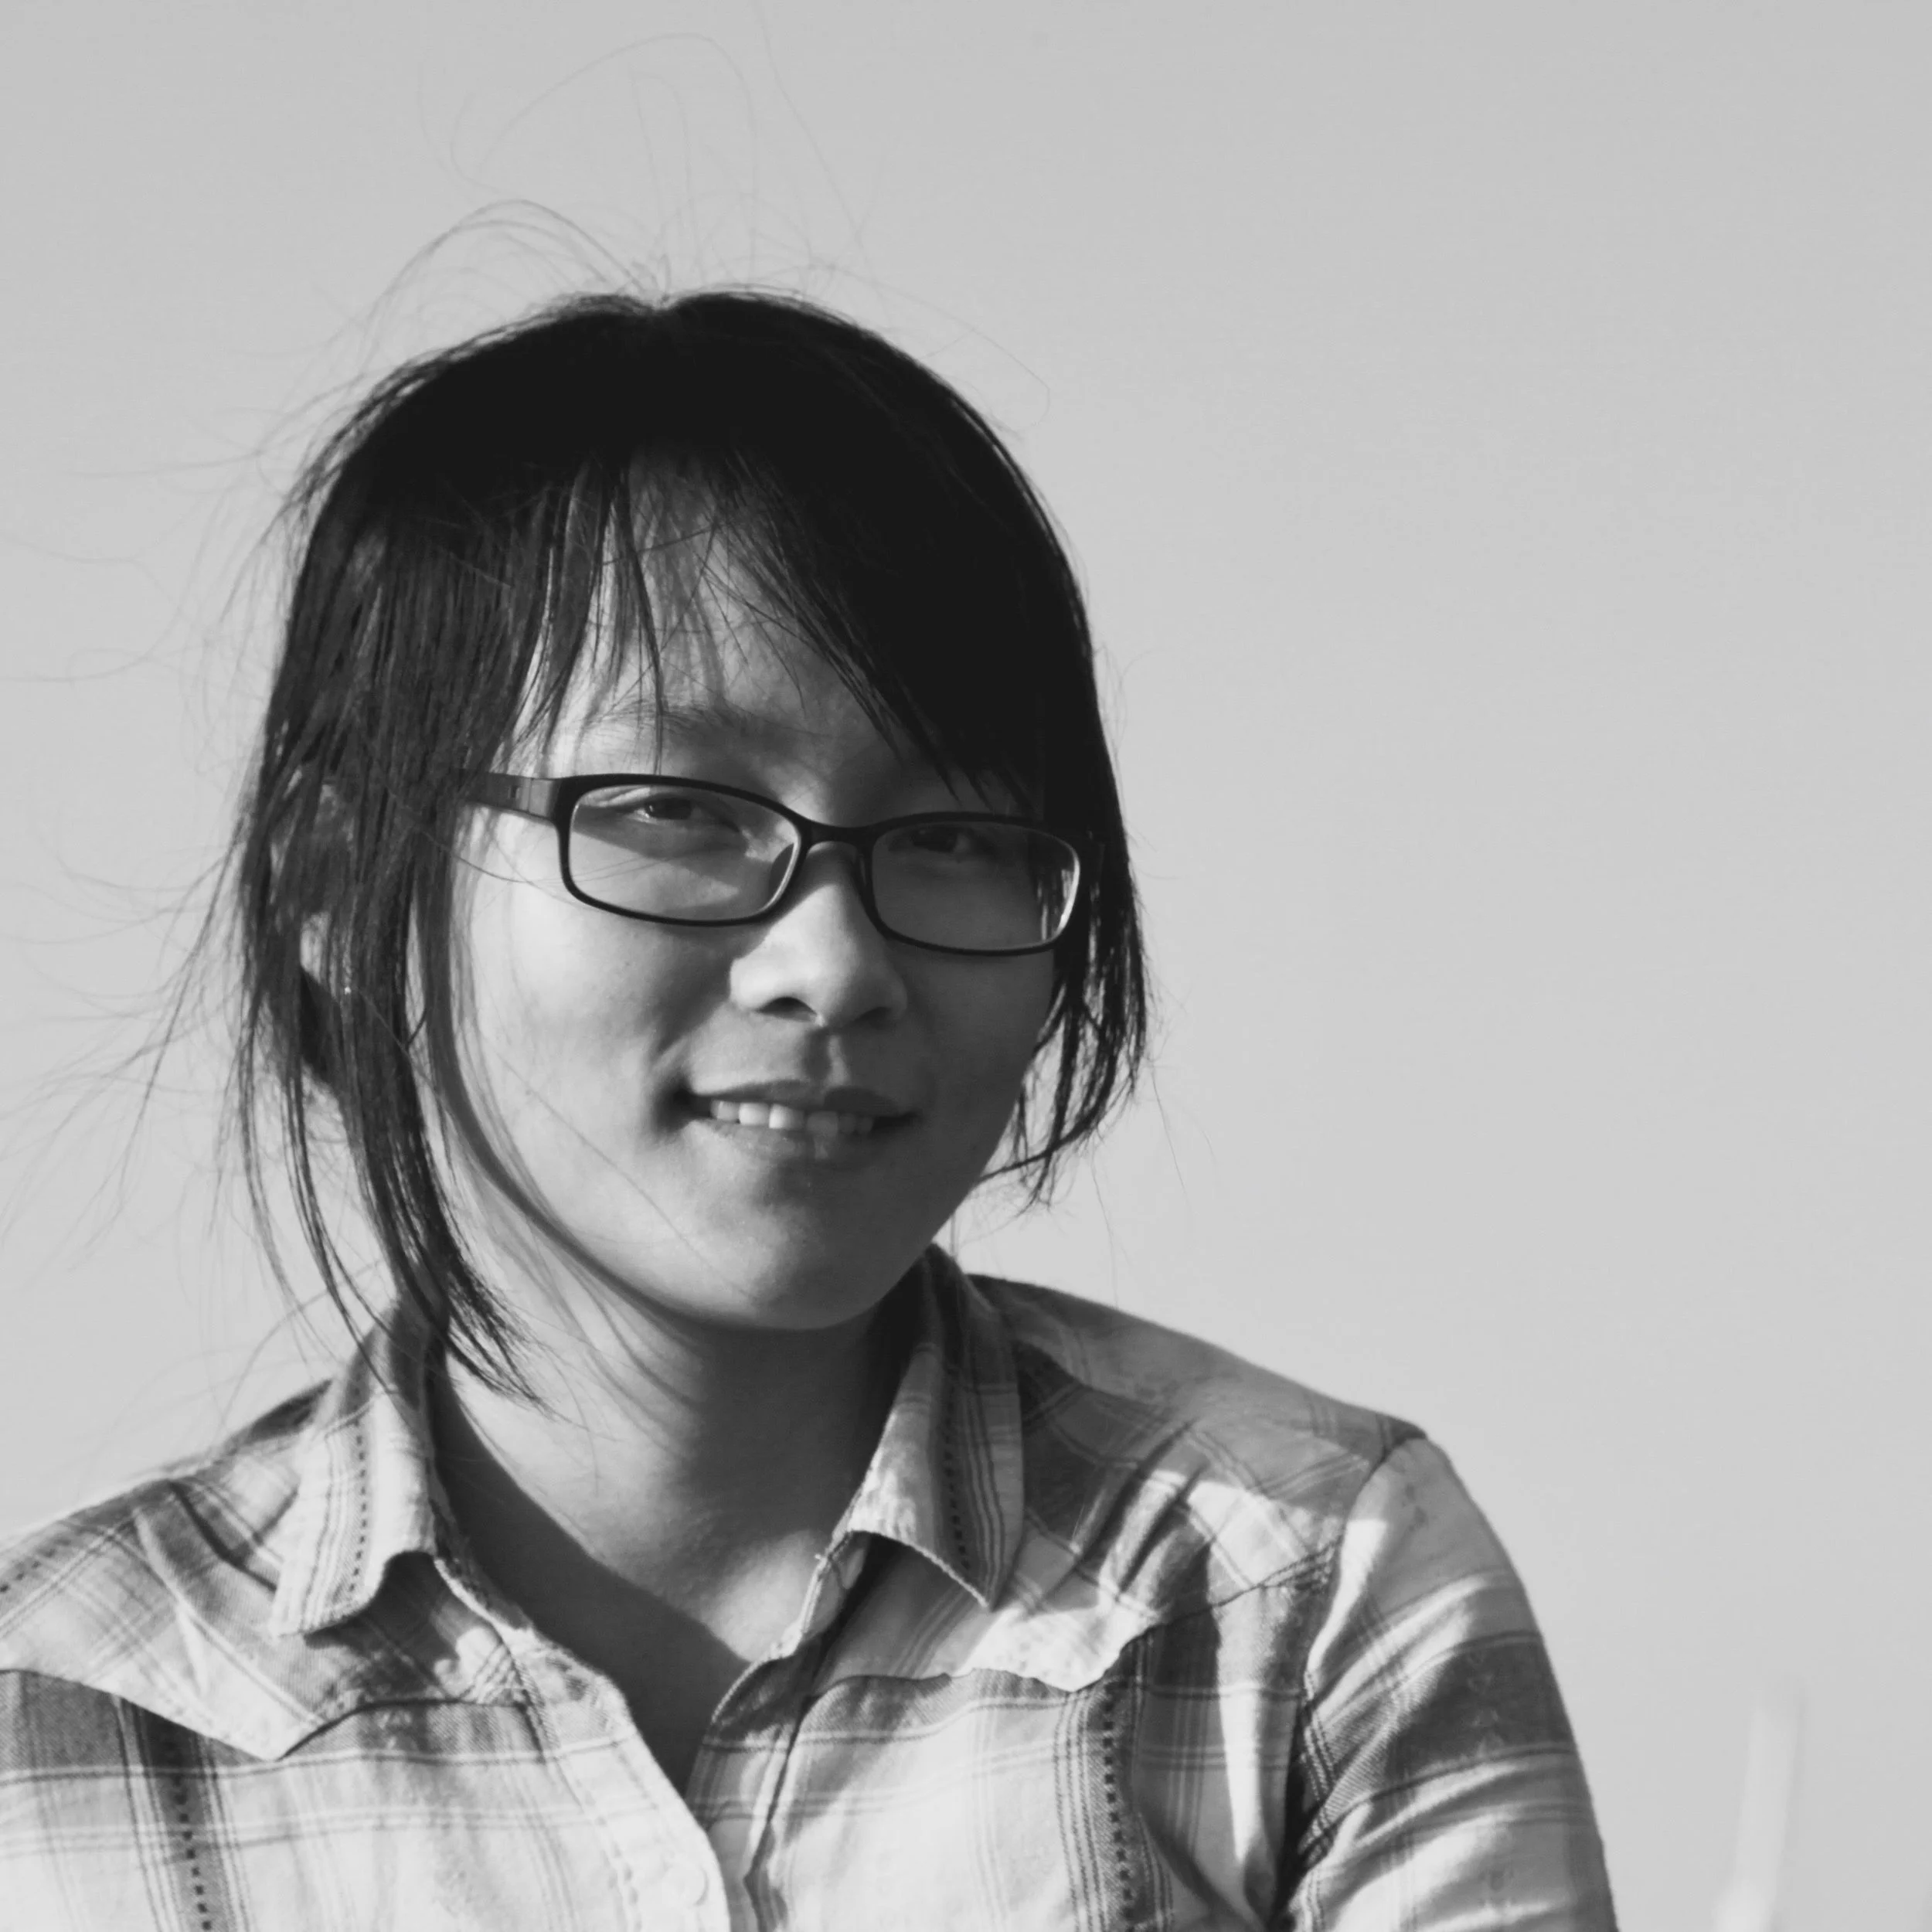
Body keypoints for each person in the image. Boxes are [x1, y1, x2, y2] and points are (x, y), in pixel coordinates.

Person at [0, 290, 1617, 1929]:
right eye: (675, 811)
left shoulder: (1301, 1593)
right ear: (337, 888)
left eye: (959, 837)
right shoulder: (61, 1725)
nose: (835, 966)